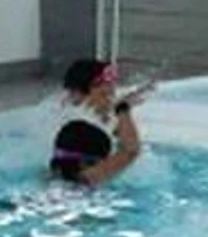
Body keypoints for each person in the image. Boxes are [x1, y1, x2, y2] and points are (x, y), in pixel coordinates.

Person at [49, 57, 144, 188]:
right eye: (106, 84)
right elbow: (130, 151)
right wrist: (123, 109)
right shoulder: (88, 178)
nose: (112, 90)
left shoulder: (69, 129)